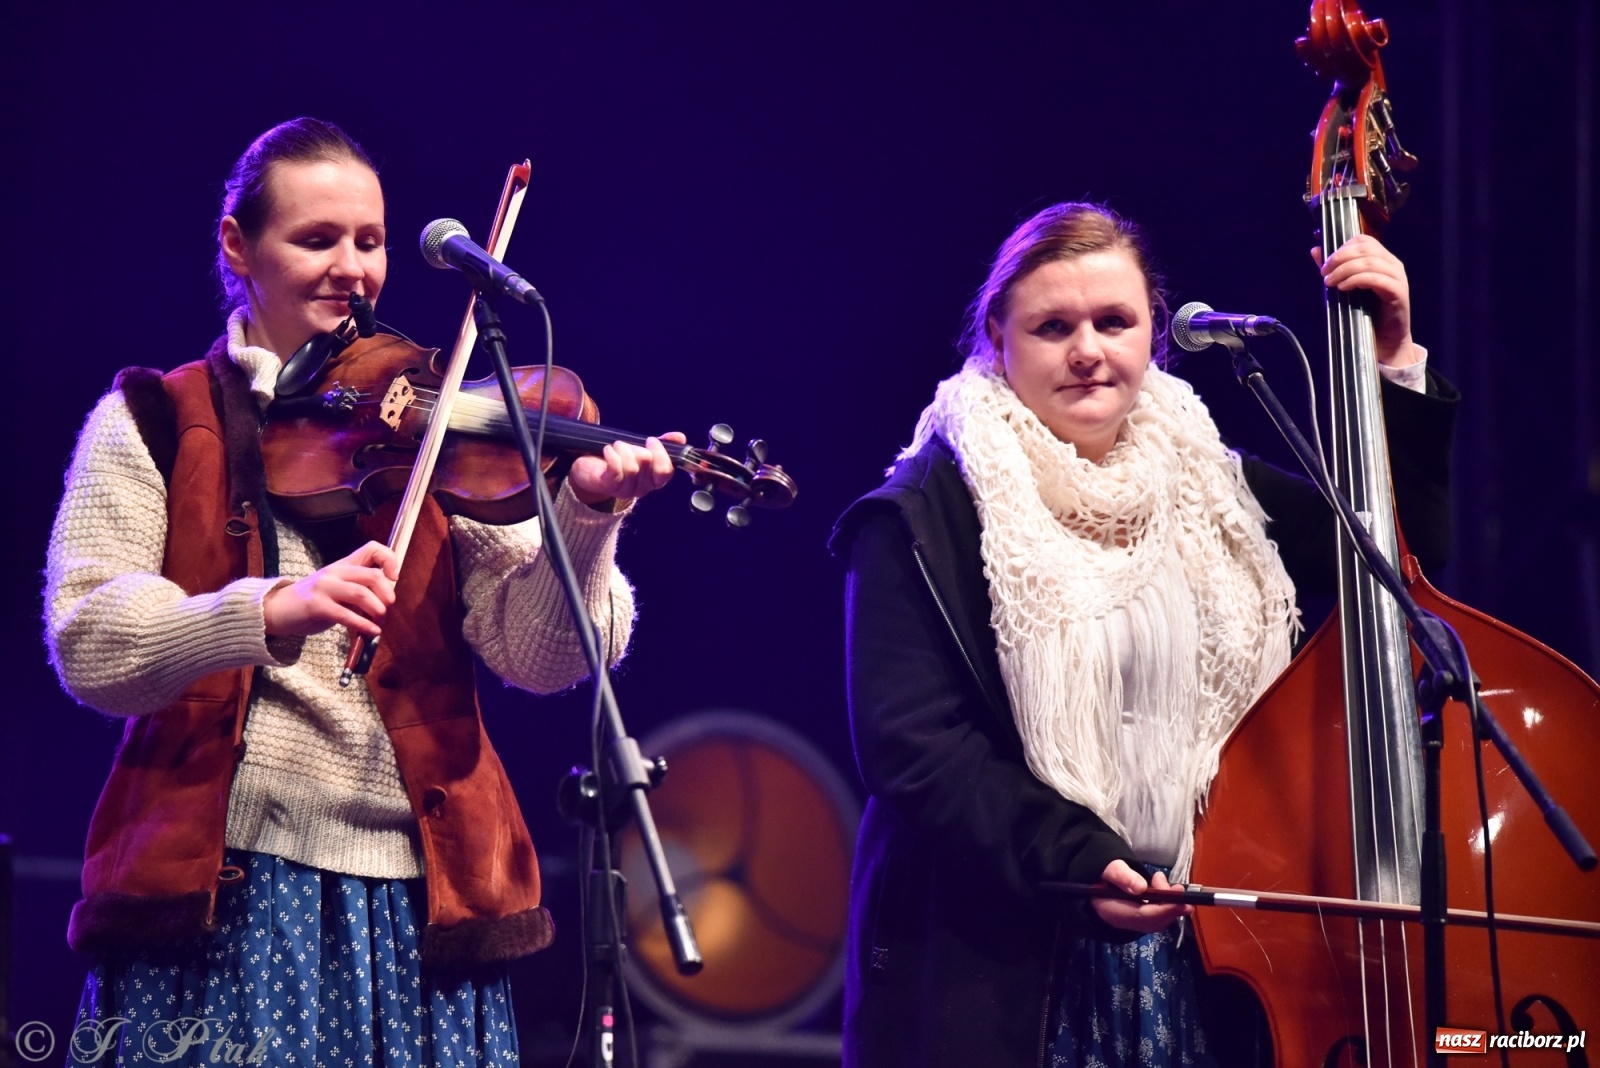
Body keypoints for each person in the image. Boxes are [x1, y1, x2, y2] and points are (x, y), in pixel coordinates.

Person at [44, 117, 681, 1067]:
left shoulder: (433, 415)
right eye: (317, 240)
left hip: (427, 900)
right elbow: (90, 641)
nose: (355, 269)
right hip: (231, 893)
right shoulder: (155, 419)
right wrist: (264, 612)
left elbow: (540, 656)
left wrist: (587, 522)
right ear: (236, 246)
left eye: (371, 242)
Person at [829, 202, 1457, 1067]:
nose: (1087, 349)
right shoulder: (916, 516)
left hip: (1208, 953)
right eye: (1053, 326)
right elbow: (914, 749)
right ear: (996, 339)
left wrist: (1388, 361)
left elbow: (1396, 562)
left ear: (1154, 334)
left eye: (1113, 321)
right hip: (1001, 962)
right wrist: (1079, 858)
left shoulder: (1212, 483)